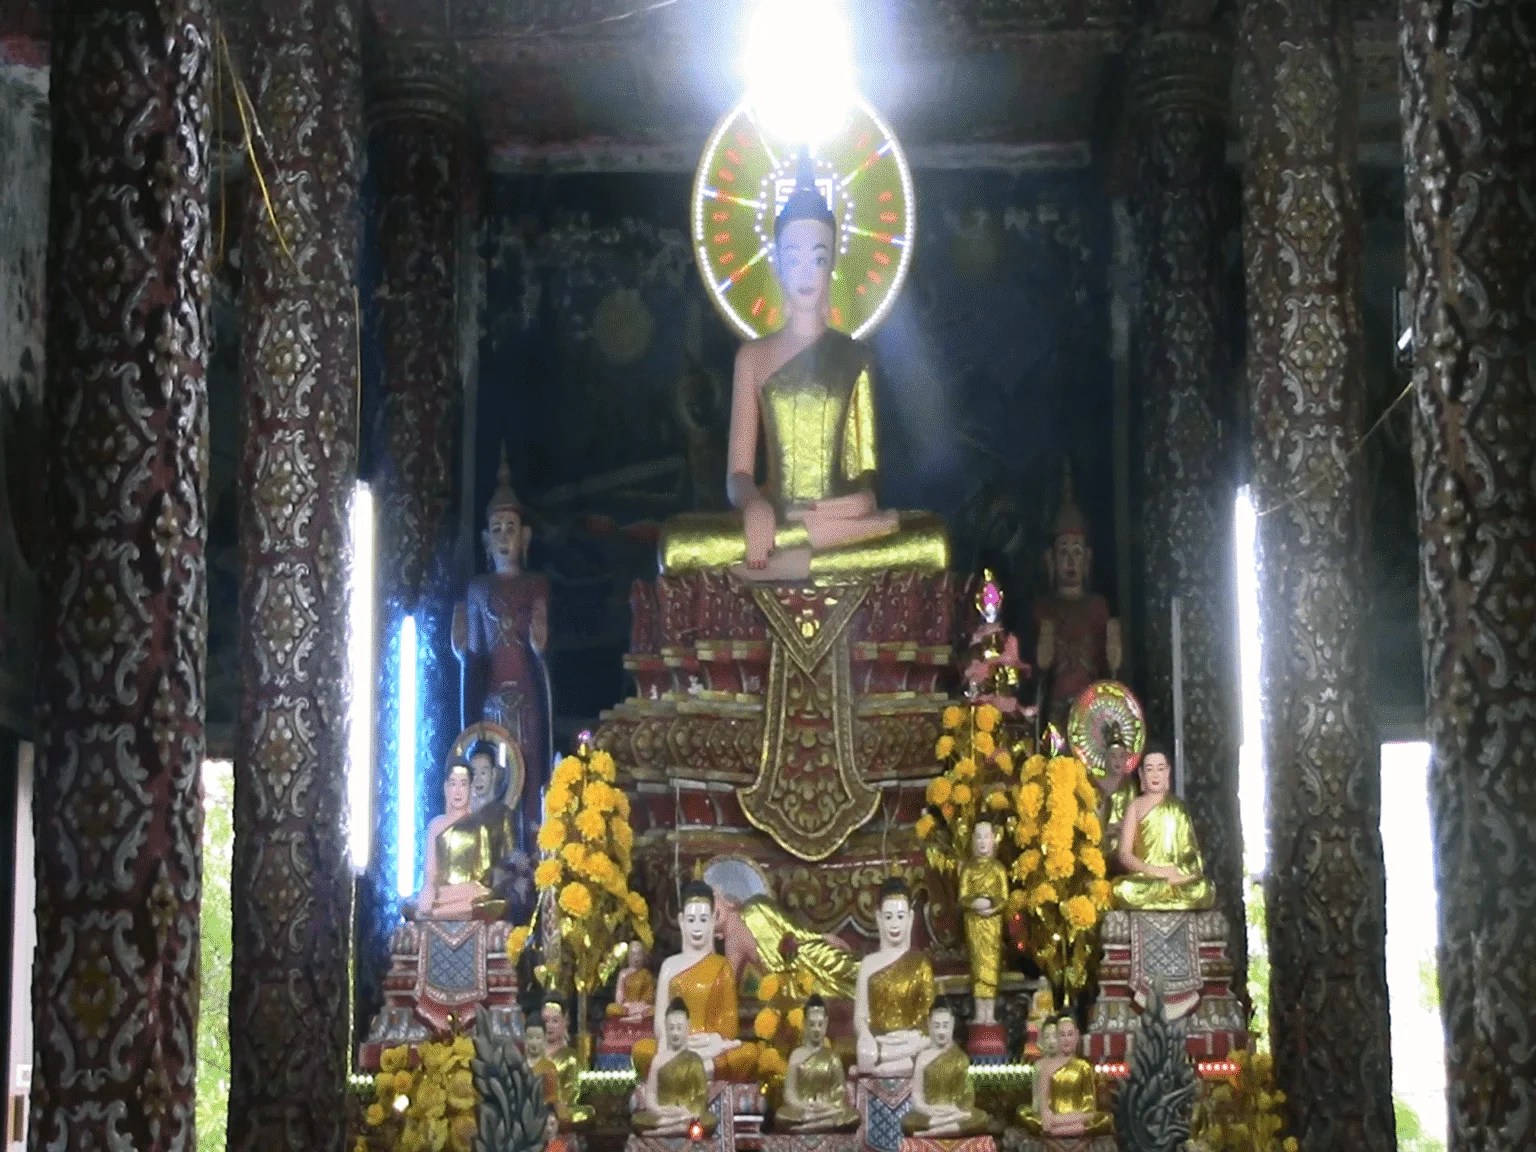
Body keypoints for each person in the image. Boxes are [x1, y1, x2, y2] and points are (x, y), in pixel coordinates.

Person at [658, 155, 948, 582]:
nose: (806, 272)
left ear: (832, 264)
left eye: (818, 257)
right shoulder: (751, 358)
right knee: (677, 546)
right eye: (793, 258)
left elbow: (867, 474)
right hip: (776, 521)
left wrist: (859, 502)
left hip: (839, 521)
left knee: (931, 541)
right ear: (776, 264)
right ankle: (803, 556)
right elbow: (738, 474)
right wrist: (754, 504)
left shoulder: (855, 356)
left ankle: (797, 563)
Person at [458, 450, 551, 850]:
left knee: (530, 778)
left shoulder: (535, 585)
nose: (503, 537)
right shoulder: (478, 589)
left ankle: (531, 856)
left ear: (524, 536)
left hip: (526, 699)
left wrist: (539, 639)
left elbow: (539, 649)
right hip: (492, 704)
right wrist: (462, 652)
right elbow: (476, 654)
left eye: (510, 528)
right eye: (496, 529)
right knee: (493, 780)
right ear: (485, 539)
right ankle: (493, 855)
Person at [633, 882, 760, 1081]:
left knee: (748, 1054)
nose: (697, 927)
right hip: (676, 1044)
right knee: (642, 1050)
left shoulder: (722, 966)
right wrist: (676, 1041)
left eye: (703, 919)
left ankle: (683, 1073)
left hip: (710, 1048)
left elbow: (729, 1025)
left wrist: (711, 1039)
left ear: (713, 920)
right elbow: (660, 1023)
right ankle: (696, 1071)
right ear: (682, 921)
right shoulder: (669, 966)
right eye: (691, 920)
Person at [1111, 747, 1216, 911]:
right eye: (1149, 769)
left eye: (1160, 769)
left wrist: (1178, 872)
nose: (1155, 775)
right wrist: (1153, 870)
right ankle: (1168, 893)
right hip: (1147, 878)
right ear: (1141, 774)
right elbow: (1124, 854)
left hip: (1175, 878)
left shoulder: (1178, 807)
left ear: (1167, 773)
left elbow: (1190, 854)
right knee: (1121, 889)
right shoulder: (1135, 806)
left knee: (1204, 888)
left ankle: (1166, 891)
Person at [854, 878, 934, 1077]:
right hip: (880, 1041)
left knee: (930, 1048)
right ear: (879, 917)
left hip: (911, 1041)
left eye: (900, 916)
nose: (895, 924)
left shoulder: (920, 963)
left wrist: (913, 1035)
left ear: (910, 917)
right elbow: (860, 1016)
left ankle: (882, 1069)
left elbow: (929, 1016)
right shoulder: (868, 964)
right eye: (889, 917)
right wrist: (864, 1034)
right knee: (865, 1054)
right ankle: (895, 1065)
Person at [899, 1003, 990, 1137]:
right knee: (907, 1122)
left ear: (952, 1025)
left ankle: (931, 1132)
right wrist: (928, 1110)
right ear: (929, 1025)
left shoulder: (960, 1058)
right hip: (930, 1113)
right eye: (937, 1026)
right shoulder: (922, 1058)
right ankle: (944, 1129)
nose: (941, 1032)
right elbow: (916, 1096)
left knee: (980, 1118)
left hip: (954, 1112)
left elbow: (968, 1096)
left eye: (945, 1026)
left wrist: (955, 1110)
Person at [632, 999, 718, 1137]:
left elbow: (701, 1095)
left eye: (679, 1028)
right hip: (663, 1115)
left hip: (686, 1113)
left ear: (687, 1027)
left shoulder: (695, 1060)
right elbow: (651, 1094)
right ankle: (677, 1129)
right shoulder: (658, 1059)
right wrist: (658, 1110)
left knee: (710, 1120)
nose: (675, 1033)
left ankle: (664, 1131)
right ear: (666, 1028)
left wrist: (686, 1111)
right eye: (671, 1028)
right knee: (637, 1120)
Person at [773, 995, 860, 1133]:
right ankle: (821, 1125)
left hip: (827, 1109)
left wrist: (825, 1105)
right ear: (805, 1024)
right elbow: (789, 1091)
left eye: (820, 1024)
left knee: (853, 1116)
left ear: (826, 1024)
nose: (816, 1029)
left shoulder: (833, 1056)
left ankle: (805, 1127)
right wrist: (802, 1105)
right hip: (803, 1110)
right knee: (781, 1116)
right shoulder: (796, 1055)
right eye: (812, 1024)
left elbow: (840, 1091)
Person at [959, 821, 1008, 1025]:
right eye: (978, 837)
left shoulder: (998, 869)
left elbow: (1004, 898)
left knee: (991, 966)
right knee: (978, 966)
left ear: (993, 840)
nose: (982, 842)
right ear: (972, 840)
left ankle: (991, 1013)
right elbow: (962, 897)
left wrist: (991, 907)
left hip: (992, 924)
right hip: (974, 923)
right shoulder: (968, 870)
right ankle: (980, 1013)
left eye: (986, 837)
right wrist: (975, 904)